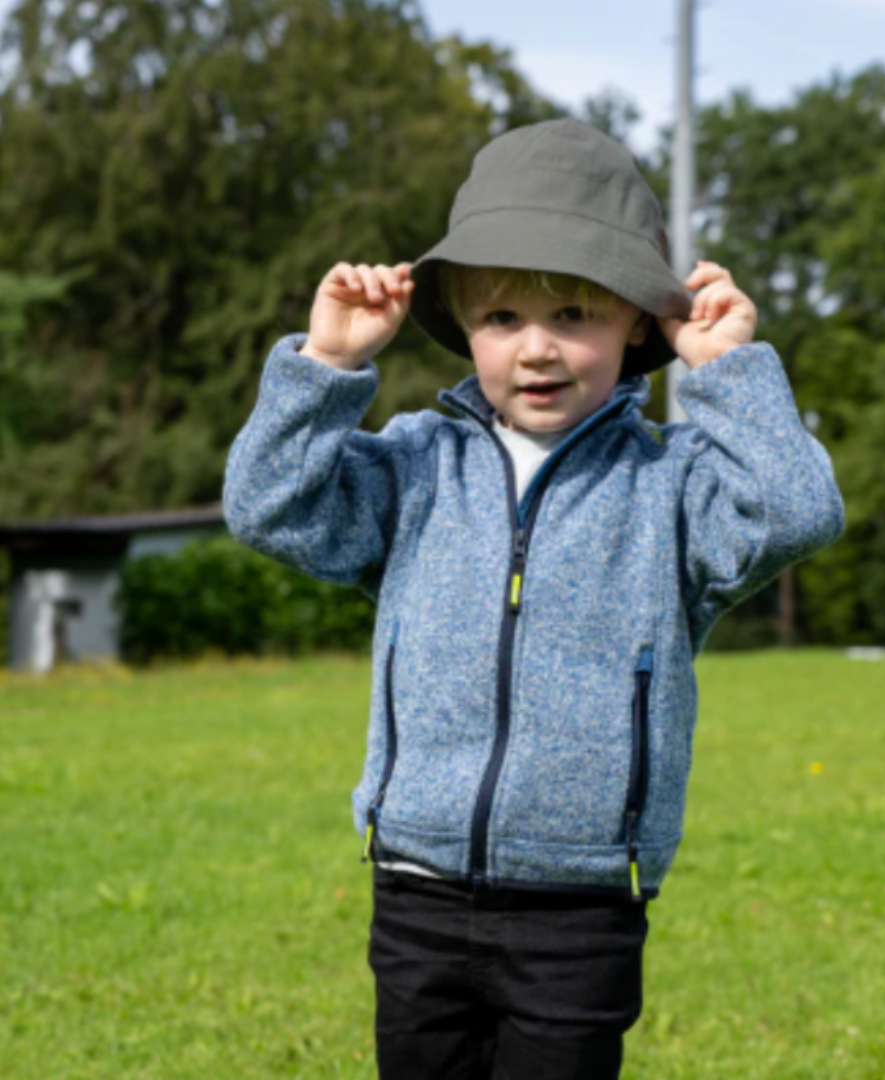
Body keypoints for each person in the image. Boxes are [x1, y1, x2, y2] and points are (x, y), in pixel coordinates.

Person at [223, 118, 844, 1080]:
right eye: (503, 319)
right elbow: (268, 506)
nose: (538, 350)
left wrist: (727, 374)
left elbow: (798, 512)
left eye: (576, 316)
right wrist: (327, 364)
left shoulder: (670, 487)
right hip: (417, 887)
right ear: (465, 322)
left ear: (640, 321)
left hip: (581, 903)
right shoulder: (413, 467)